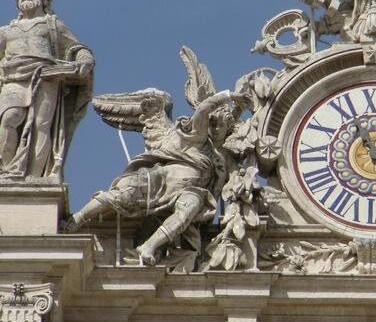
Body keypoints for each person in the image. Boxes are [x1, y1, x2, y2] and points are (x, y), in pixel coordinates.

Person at [64, 90, 246, 265]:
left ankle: (148, 247)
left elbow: (235, 182)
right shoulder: (198, 136)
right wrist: (228, 96)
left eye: (221, 125)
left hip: (191, 192)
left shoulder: (225, 157)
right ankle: (79, 218)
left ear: (229, 129)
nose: (216, 129)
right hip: (161, 180)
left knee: (188, 210)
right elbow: (204, 109)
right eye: (212, 124)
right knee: (122, 196)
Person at [0, 0, 94, 178]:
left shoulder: (53, 25)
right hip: (13, 78)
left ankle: (35, 177)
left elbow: (76, 47)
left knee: (41, 125)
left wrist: (85, 59)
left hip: (46, 76)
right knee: (9, 118)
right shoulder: (7, 31)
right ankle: (6, 171)